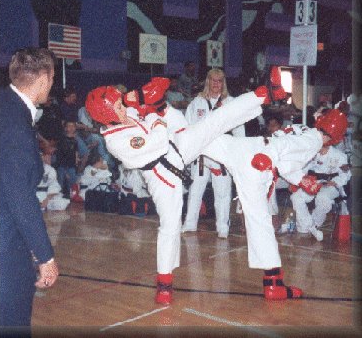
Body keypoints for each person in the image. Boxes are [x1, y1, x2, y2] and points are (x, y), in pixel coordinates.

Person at [85, 69, 286, 304]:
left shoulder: (122, 110)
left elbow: (142, 97)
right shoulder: (115, 141)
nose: (122, 107)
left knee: (215, 121)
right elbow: (157, 142)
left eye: (120, 104)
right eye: (117, 107)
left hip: (177, 146)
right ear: (105, 116)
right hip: (161, 176)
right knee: (170, 227)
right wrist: (153, 113)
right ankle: (164, 284)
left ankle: (267, 93)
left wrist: (149, 98)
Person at [197, 110, 348, 299]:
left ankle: (167, 134)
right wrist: (273, 160)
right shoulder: (314, 140)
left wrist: (300, 179)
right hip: (258, 163)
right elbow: (283, 147)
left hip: (246, 148)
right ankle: (273, 283)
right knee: (260, 223)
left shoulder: (305, 130)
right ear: (335, 137)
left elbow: (286, 161)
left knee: (199, 139)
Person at [0, 48, 59, 328]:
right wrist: (45, 255)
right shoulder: (16, 126)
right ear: (44, 79)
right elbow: (19, 197)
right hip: (2, 247)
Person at [182, 68, 245, 238]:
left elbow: (239, 130)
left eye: (220, 81)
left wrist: (238, 154)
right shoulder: (197, 103)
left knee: (223, 193)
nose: (216, 84)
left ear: (223, 83)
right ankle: (189, 223)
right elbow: (188, 128)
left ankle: (222, 226)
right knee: (195, 191)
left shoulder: (231, 103)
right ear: (207, 81)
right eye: (213, 80)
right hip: (201, 154)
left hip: (222, 155)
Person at [290, 114, 351, 241]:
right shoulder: (311, 153)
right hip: (314, 183)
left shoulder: (339, 156)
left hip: (331, 185)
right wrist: (299, 181)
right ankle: (308, 227)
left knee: (323, 199)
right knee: (296, 197)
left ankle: (314, 224)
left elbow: (346, 174)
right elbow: (302, 169)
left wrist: (335, 182)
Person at [55, 120, 82, 201]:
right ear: (65, 128)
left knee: (72, 184)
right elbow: (61, 154)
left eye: (73, 126)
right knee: (61, 183)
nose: (71, 128)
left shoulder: (75, 140)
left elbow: (76, 151)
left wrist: (77, 159)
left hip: (71, 165)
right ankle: (58, 198)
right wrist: (65, 170)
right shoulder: (62, 139)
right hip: (62, 165)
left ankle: (72, 198)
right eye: (69, 126)